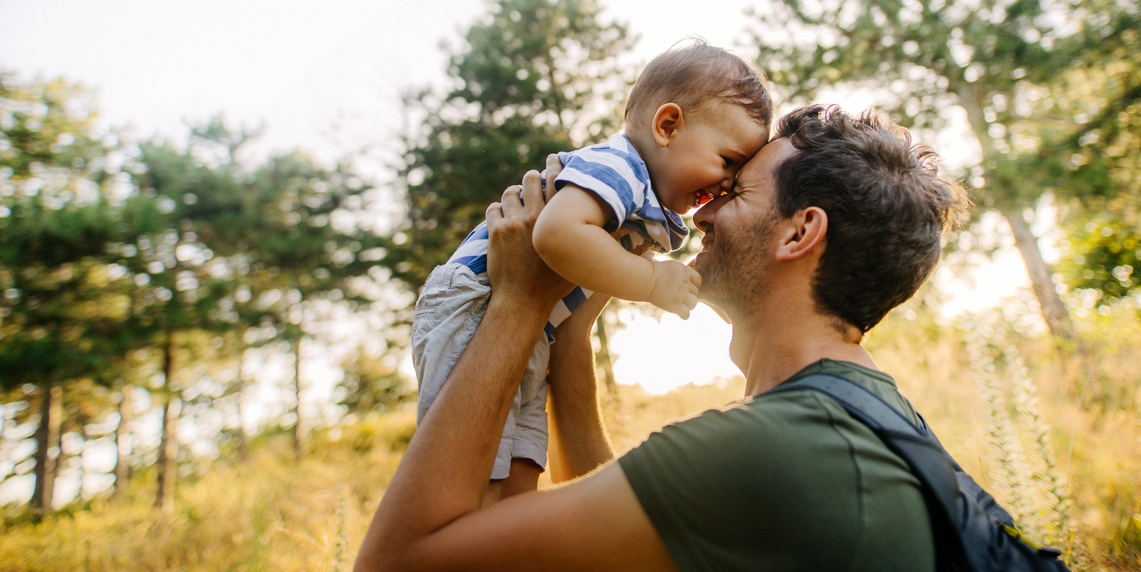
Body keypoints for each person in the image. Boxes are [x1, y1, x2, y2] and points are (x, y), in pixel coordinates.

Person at [357, 103, 968, 571]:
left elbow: (397, 562)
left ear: (799, 233)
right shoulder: (873, 419)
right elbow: (617, 523)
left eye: (732, 192)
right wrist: (567, 330)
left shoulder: (769, 449)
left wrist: (516, 303)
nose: (699, 213)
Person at [410, 41, 772, 503]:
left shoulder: (645, 203)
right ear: (667, 126)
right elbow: (556, 234)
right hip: (475, 302)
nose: (726, 183)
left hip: (534, 325)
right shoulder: (617, 166)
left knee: (521, 470)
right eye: (728, 161)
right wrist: (652, 281)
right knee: (470, 474)